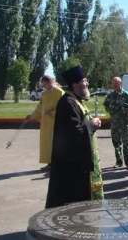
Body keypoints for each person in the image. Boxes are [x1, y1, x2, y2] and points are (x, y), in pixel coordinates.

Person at [45, 65, 103, 208]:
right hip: (71, 162)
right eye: (84, 81)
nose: (87, 84)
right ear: (75, 85)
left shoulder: (76, 100)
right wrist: (93, 123)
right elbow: (76, 129)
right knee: (71, 197)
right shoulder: (68, 102)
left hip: (77, 159)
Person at [26, 75, 64, 170]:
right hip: (46, 124)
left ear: (51, 82)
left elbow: (64, 107)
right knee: (46, 143)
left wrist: (52, 113)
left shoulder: (60, 92)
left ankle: (57, 164)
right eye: (43, 84)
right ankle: (49, 163)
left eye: (45, 84)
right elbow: (39, 108)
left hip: (56, 123)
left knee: (56, 143)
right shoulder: (44, 94)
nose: (44, 86)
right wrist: (32, 116)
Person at [104, 77, 128, 169]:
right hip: (114, 122)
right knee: (116, 143)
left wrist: (126, 110)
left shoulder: (127, 95)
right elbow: (106, 105)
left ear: (121, 83)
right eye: (113, 84)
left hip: (124, 122)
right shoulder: (111, 95)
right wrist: (110, 110)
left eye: (116, 83)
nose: (114, 85)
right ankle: (119, 161)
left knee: (126, 143)